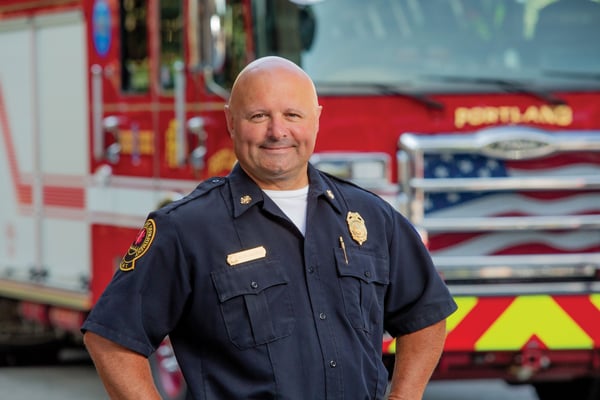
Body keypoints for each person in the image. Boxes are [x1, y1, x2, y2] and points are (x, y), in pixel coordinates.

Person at [82, 56, 457, 400]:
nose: (278, 131)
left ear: (316, 118)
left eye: (293, 115)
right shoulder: (186, 228)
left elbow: (425, 315)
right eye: (259, 116)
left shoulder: (371, 217)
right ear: (231, 121)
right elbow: (113, 340)